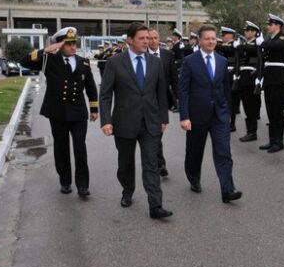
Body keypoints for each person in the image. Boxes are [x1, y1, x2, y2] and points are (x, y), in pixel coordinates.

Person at [100, 22, 172, 220]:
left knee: (151, 163)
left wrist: (163, 118)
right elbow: (105, 94)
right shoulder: (115, 63)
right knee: (125, 163)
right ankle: (127, 190)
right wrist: (106, 120)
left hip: (150, 122)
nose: (146, 42)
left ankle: (155, 205)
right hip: (124, 122)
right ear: (130, 40)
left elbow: (161, 93)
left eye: (148, 38)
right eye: (142, 38)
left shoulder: (155, 62)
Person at [21, 27, 98, 196]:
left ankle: (83, 185)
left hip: (78, 113)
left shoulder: (83, 62)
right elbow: (24, 62)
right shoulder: (49, 60)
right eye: (68, 44)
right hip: (58, 112)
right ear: (59, 45)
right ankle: (65, 181)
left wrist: (94, 108)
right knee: (61, 147)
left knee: (80, 148)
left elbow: (91, 87)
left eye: (73, 44)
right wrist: (45, 50)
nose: (72, 47)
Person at [178, 24, 242, 203]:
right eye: (207, 38)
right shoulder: (190, 61)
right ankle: (193, 177)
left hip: (219, 115)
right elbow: (183, 90)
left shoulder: (221, 61)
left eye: (214, 38)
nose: (211, 41)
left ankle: (228, 190)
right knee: (194, 152)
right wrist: (184, 116)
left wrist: (229, 112)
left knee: (223, 152)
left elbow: (225, 89)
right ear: (199, 40)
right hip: (196, 115)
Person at [148, 28, 179, 177]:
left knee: (158, 132)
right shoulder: (143, 55)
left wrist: (178, 97)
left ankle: (158, 161)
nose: (153, 41)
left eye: (155, 38)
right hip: (147, 101)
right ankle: (160, 163)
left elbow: (174, 78)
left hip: (163, 100)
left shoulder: (167, 55)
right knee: (154, 133)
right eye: (150, 38)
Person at [258, 14, 284, 153]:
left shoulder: (282, 38)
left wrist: (262, 43)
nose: (268, 27)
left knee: (277, 112)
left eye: (270, 25)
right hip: (270, 79)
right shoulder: (271, 39)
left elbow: (274, 46)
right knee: (271, 112)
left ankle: (279, 141)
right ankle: (272, 140)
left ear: (277, 25)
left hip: (278, 79)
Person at [236, 21, 263, 142]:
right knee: (246, 105)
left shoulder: (256, 44)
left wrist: (239, 46)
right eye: (245, 31)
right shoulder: (247, 44)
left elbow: (248, 49)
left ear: (254, 32)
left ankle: (252, 132)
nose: (245, 32)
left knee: (250, 106)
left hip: (251, 77)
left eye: (248, 31)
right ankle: (250, 131)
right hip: (243, 77)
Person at [215, 26, 241, 132]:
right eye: (222, 35)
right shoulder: (223, 45)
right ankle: (223, 120)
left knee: (231, 100)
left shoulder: (233, 45)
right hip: (222, 73)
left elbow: (227, 50)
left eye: (225, 35)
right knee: (222, 99)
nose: (223, 37)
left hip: (231, 74)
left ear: (231, 35)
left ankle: (232, 123)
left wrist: (213, 43)